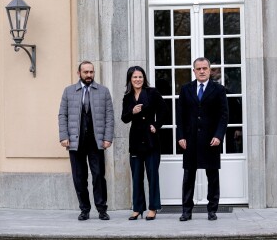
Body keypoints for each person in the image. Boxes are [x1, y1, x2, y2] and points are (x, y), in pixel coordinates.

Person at [58, 61, 114, 221]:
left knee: (98, 176)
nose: (89, 75)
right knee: (79, 177)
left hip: (96, 142)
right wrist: (64, 136)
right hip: (76, 142)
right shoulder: (68, 92)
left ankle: (102, 209)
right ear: (79, 73)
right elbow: (62, 115)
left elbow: (109, 116)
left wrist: (107, 138)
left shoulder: (103, 91)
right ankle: (84, 209)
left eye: (91, 72)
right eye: (86, 72)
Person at [176, 57, 229, 221]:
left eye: (204, 68)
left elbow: (224, 115)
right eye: (198, 69)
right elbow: (180, 115)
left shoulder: (219, 90)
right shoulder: (185, 89)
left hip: (211, 140)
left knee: (212, 176)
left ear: (209, 69)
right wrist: (181, 136)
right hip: (190, 140)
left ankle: (212, 209)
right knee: (188, 176)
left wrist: (219, 135)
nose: (201, 71)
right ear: (194, 71)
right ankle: (186, 210)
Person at [121, 66, 167, 221]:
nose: (138, 80)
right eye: (134, 77)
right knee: (137, 176)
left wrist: (156, 125)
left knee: (153, 175)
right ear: (130, 79)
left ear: (144, 78)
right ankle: (137, 208)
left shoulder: (152, 92)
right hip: (135, 141)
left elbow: (164, 110)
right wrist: (132, 112)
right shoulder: (127, 97)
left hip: (151, 139)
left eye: (140, 77)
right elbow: (124, 118)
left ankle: (153, 208)